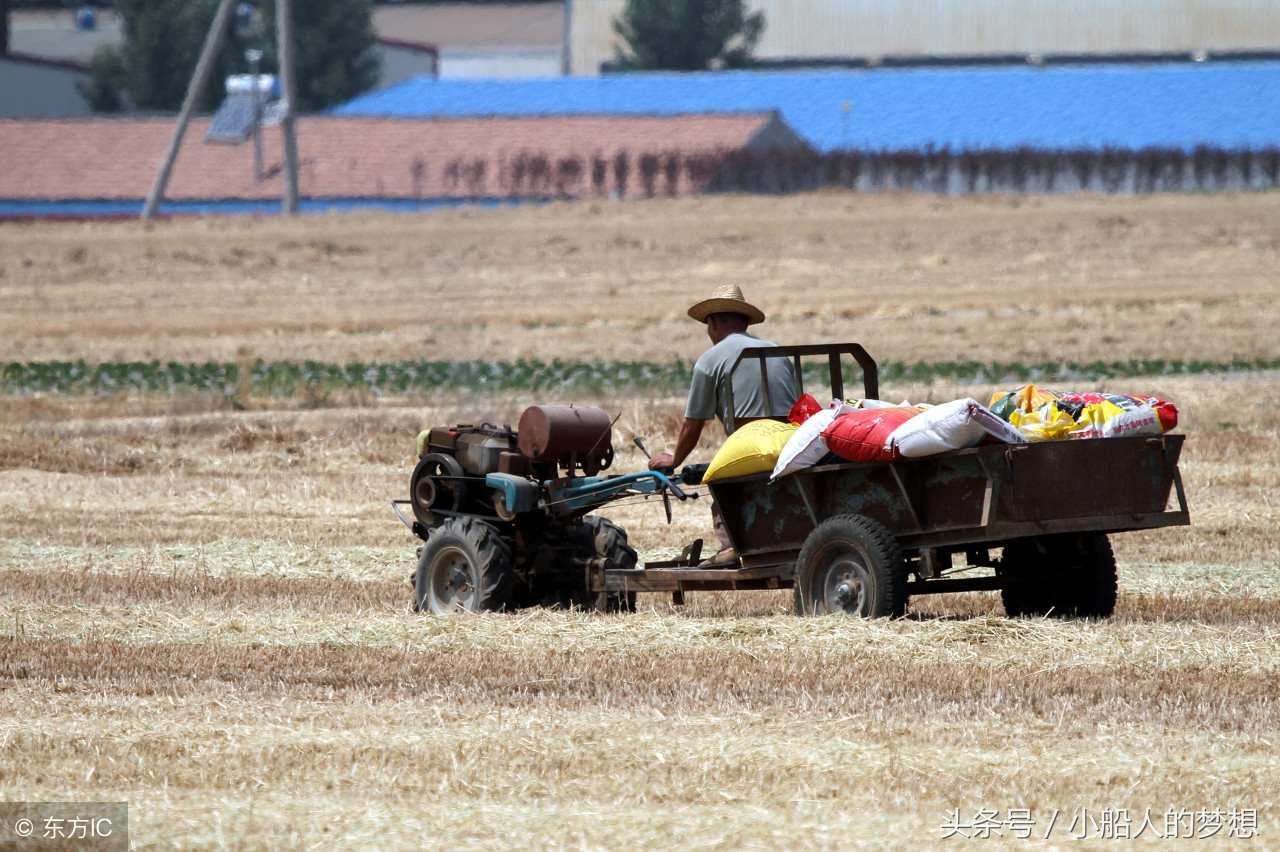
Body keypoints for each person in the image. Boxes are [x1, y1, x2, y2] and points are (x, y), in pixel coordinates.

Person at [648, 284, 799, 565]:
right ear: (744, 322)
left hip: (751, 444)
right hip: (792, 441)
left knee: (718, 471)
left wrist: (675, 458)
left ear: (714, 323)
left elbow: (692, 425)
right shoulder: (776, 351)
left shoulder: (710, 360)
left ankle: (731, 546)